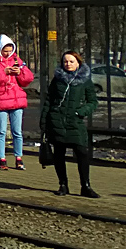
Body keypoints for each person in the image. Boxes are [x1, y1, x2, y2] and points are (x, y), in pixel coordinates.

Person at [40, 51, 100, 198]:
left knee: (82, 153)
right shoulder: (57, 80)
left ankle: (85, 186)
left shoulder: (85, 80)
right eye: (65, 61)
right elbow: (49, 101)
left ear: (78, 62)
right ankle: (63, 184)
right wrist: (44, 121)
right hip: (57, 121)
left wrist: (81, 111)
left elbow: (93, 102)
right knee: (59, 154)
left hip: (75, 122)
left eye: (71, 61)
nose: (68, 64)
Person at [0, 34, 34, 171]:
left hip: (16, 100)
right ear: (0, 49)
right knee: (1, 131)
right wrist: (3, 72)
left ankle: (19, 157)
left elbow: (28, 78)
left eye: (10, 50)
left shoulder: (17, 59)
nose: (8, 53)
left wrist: (20, 71)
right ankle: (2, 158)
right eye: (5, 51)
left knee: (17, 131)